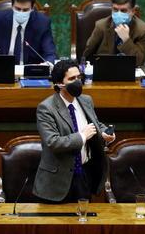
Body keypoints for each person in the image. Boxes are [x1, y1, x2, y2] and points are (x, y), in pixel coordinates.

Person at [33, 59, 115, 202]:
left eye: (79, 77)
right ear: (59, 83)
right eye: (72, 78)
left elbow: (94, 123)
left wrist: (104, 133)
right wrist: (82, 136)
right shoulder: (46, 108)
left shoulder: (86, 100)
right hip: (58, 180)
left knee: (83, 220)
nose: (78, 82)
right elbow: (53, 142)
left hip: (84, 174)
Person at [83, 0, 145, 66]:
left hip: (128, 71)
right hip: (104, 69)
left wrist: (126, 40)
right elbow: (87, 54)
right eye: (115, 9)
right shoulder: (101, 25)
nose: (118, 14)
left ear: (133, 11)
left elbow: (139, 61)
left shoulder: (142, 29)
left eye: (123, 10)